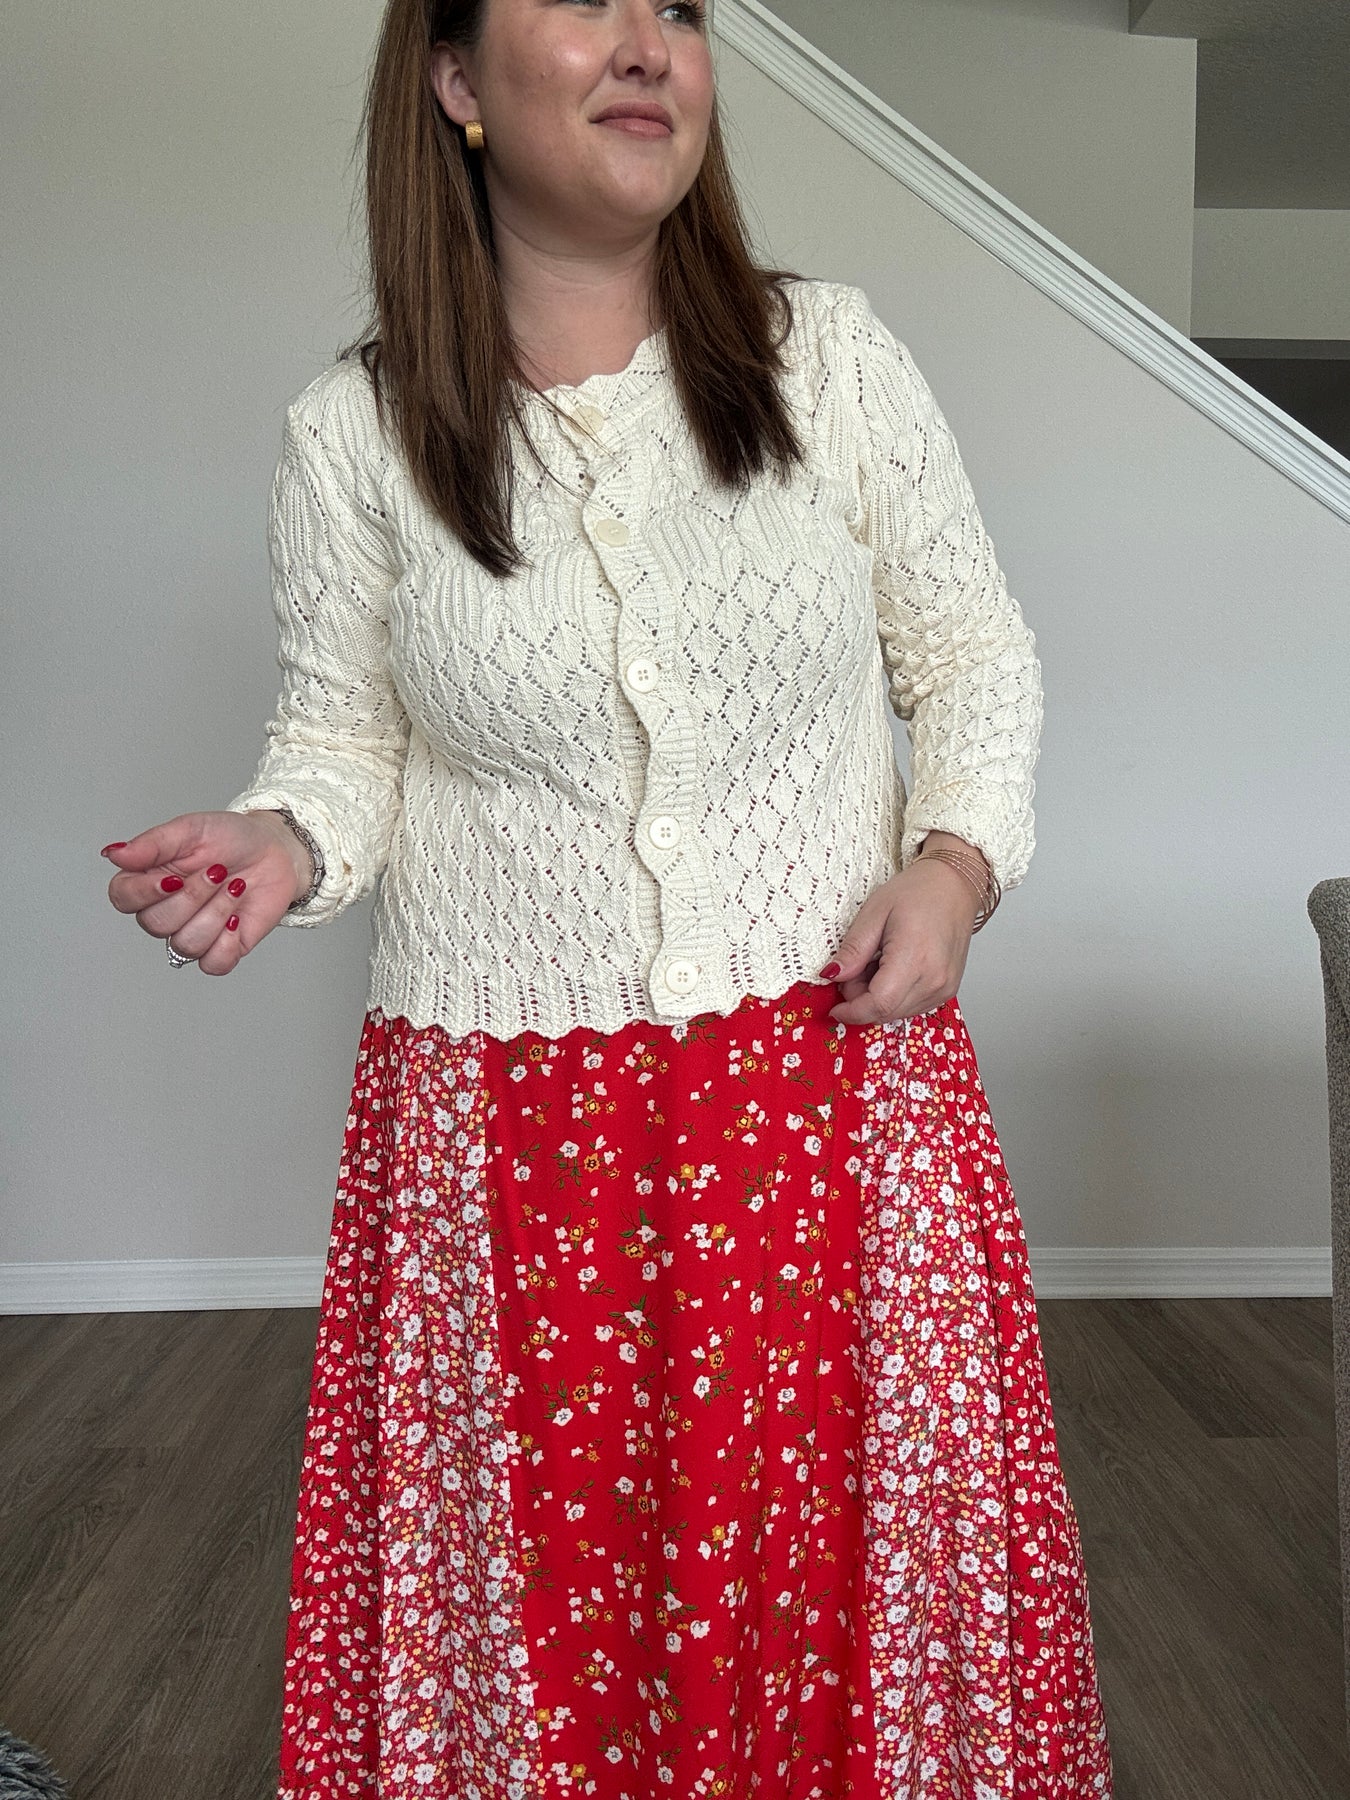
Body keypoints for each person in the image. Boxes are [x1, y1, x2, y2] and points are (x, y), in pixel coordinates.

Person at [102, 0, 1115, 1792]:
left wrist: (953, 868)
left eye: (682, 9)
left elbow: (972, 654)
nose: (650, 43)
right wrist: (284, 842)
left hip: (828, 1094)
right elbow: (341, 743)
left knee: (842, 1587)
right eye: (589, 1)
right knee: (551, 1614)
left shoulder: (830, 360)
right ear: (453, 80)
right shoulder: (352, 434)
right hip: (508, 1135)